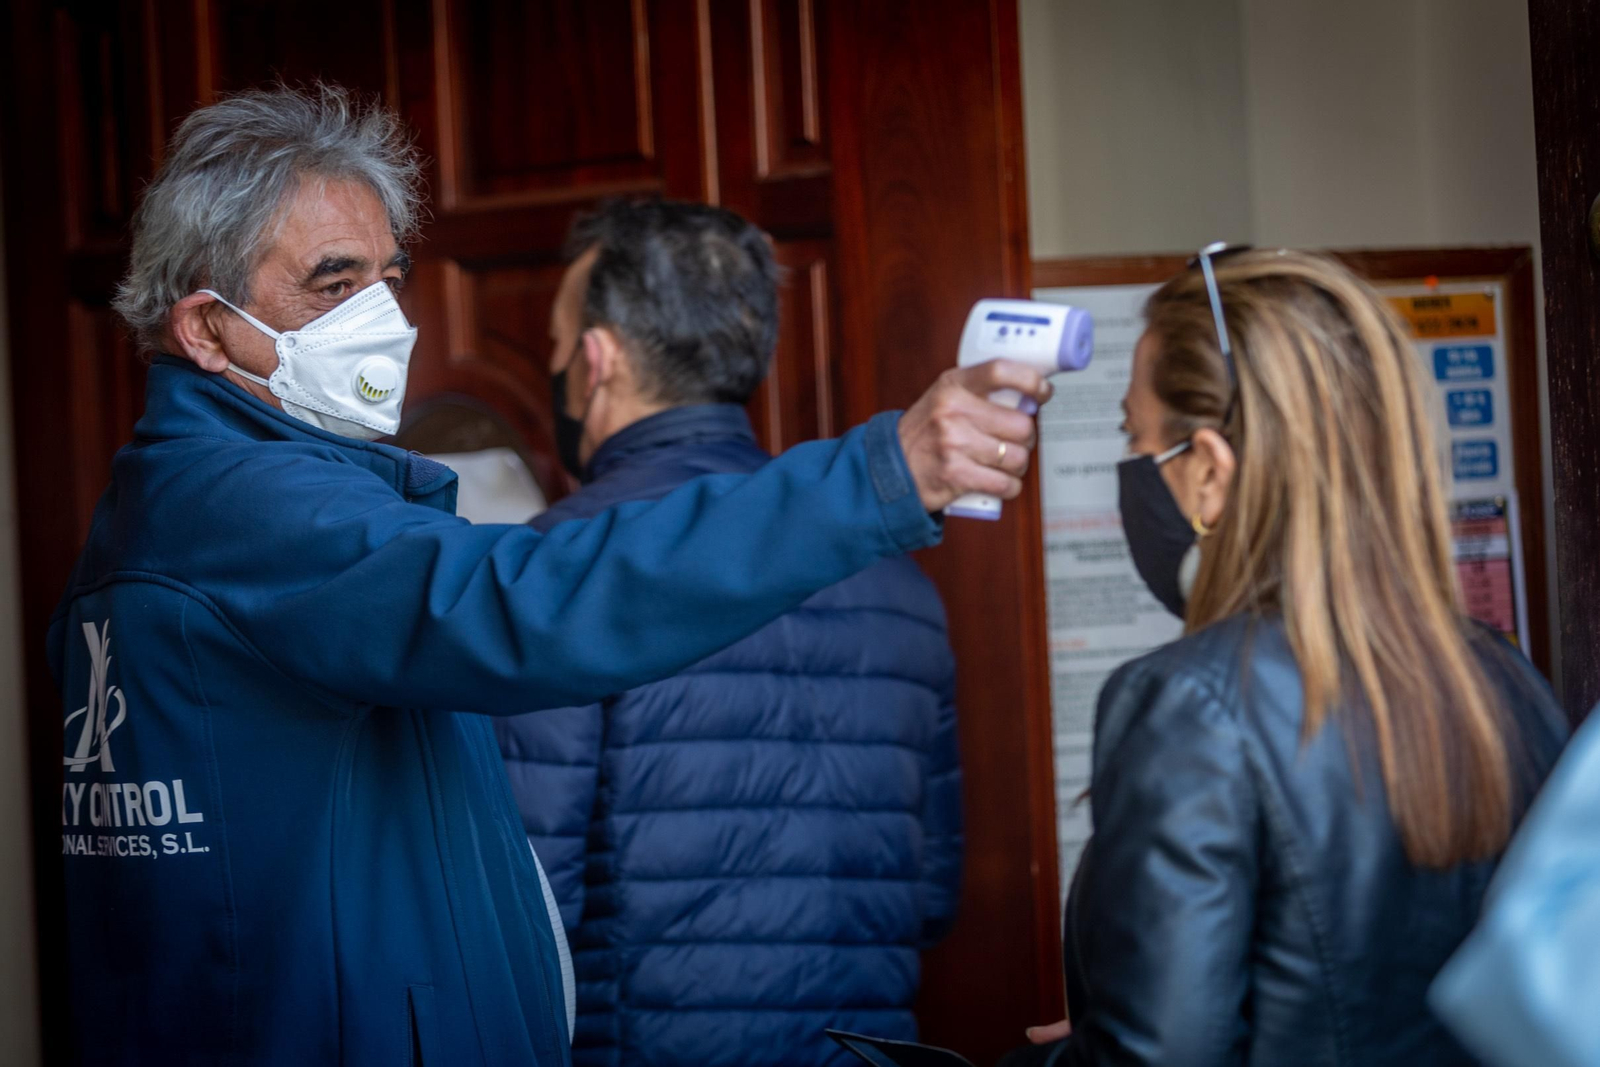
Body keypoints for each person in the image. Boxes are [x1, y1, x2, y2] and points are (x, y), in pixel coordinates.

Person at [52, 84, 1046, 1066]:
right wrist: (876, 474)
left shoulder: (201, 495)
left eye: (385, 275)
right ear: (204, 326)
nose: (380, 316)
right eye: (330, 281)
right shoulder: (239, 502)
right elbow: (515, 604)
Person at [1005, 248, 1567, 1067]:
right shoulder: (1510, 681)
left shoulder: (1188, 702)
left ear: (1210, 472)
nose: (1129, 467)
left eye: (1136, 435)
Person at [495, 200, 963, 1067]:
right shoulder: (900, 584)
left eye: (558, 348)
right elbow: (932, 895)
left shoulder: (556, 573)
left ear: (595, 362)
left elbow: (520, 916)